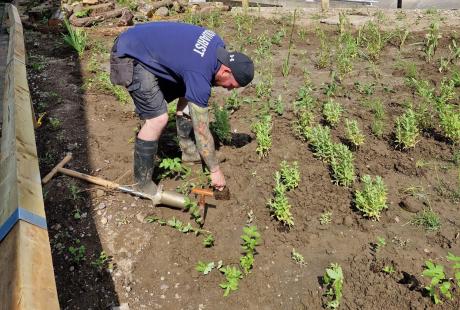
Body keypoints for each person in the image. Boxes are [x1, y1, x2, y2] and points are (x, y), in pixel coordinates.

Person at [110, 21, 254, 195]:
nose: (230, 89)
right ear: (225, 72)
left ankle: (190, 153)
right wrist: (215, 171)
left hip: (144, 43)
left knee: (189, 91)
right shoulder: (200, 72)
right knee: (157, 119)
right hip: (131, 53)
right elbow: (202, 130)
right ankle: (142, 184)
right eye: (233, 85)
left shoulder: (217, 45)